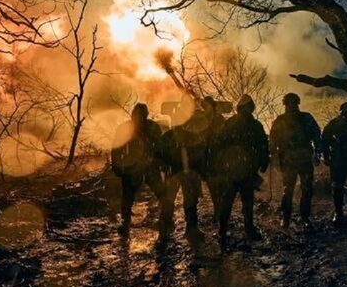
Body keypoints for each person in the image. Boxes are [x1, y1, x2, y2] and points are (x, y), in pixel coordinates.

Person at [216, 95, 269, 249]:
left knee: (237, 202)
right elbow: (263, 146)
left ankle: (227, 230)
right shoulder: (252, 125)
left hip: (240, 170)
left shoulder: (232, 124)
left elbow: (262, 146)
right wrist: (263, 162)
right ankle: (233, 230)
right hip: (240, 170)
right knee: (240, 201)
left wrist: (263, 162)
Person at [110, 103, 164, 238]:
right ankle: (125, 222)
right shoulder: (126, 128)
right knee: (128, 197)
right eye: (137, 114)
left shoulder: (152, 127)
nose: (139, 117)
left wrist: (160, 162)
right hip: (132, 167)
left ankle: (166, 219)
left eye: (141, 115)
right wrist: (117, 165)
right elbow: (116, 148)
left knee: (160, 193)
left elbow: (160, 147)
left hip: (148, 166)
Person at [157, 104, 208, 243]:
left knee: (174, 201)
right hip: (180, 173)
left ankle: (168, 228)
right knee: (184, 201)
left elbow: (158, 156)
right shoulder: (187, 137)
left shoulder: (169, 137)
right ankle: (187, 228)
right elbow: (198, 156)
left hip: (178, 173)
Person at [269, 93, 321, 228]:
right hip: (288, 160)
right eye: (289, 103)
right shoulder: (280, 120)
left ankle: (305, 217)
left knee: (307, 189)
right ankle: (286, 217)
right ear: (285, 104)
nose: (292, 105)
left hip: (304, 159)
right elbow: (273, 140)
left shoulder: (306, 118)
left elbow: (317, 135)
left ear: (298, 103)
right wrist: (273, 157)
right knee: (288, 190)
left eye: (294, 103)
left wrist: (317, 153)